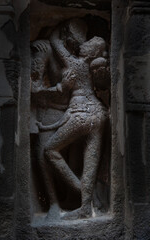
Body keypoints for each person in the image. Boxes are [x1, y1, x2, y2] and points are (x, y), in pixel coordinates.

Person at [36, 27, 108, 220]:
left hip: (82, 114)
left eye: (88, 43)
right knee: (90, 163)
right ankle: (86, 206)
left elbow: (54, 40)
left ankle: (84, 195)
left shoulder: (74, 63)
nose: (83, 44)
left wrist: (63, 29)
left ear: (90, 52)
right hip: (100, 115)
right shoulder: (94, 67)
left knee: (50, 150)